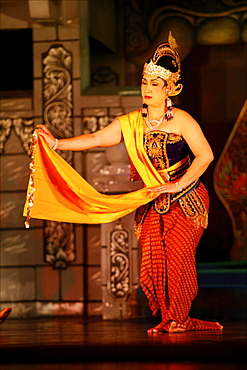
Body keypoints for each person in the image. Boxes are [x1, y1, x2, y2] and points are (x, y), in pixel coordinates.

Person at [32, 32, 223, 333]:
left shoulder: (182, 120)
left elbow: (205, 156)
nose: (147, 89)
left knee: (177, 260)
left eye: (155, 85)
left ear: (169, 88)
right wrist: (57, 143)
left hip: (186, 200)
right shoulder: (133, 122)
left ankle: (182, 319)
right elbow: (96, 139)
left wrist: (176, 184)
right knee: (152, 265)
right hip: (153, 203)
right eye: (145, 83)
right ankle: (170, 319)